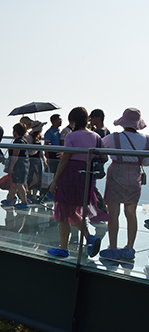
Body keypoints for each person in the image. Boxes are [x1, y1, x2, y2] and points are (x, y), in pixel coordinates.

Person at [46, 107, 106, 258]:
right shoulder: (96, 137)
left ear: (72, 121)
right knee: (72, 212)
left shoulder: (71, 136)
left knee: (63, 212)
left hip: (70, 174)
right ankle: (89, 237)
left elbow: (65, 160)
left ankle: (63, 247)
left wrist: (55, 180)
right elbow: (104, 157)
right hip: (86, 175)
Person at [99, 108, 148, 261]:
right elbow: (146, 162)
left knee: (113, 213)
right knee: (131, 213)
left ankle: (113, 247)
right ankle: (129, 248)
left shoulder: (113, 138)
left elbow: (99, 149)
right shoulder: (146, 139)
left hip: (116, 174)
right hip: (134, 176)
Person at [2, 122, 30, 209]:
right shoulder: (24, 141)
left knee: (19, 184)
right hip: (24, 165)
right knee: (14, 184)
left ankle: (24, 202)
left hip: (18, 166)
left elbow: (15, 155)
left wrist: (11, 167)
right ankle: (9, 200)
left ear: (15, 132)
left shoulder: (18, 142)